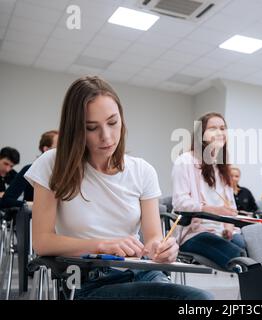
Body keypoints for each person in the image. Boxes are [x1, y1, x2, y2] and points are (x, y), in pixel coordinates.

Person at [24, 76, 211, 300]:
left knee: (201, 299)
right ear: (76, 130)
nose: (107, 136)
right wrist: (102, 245)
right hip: (89, 280)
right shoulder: (53, 163)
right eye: (91, 128)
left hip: (143, 273)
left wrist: (161, 249)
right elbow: (42, 241)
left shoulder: (143, 171)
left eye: (113, 122)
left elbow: (152, 238)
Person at [172, 112, 246, 270]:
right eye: (213, 128)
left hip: (222, 232)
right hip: (194, 233)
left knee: (252, 249)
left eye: (222, 128)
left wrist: (228, 228)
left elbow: (230, 208)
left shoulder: (222, 168)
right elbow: (180, 203)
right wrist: (212, 209)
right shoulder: (185, 161)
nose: (220, 132)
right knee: (240, 259)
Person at [0, 130, 58, 209]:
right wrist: (33, 204)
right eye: (59, 146)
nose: (7, 169)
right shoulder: (29, 170)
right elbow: (6, 201)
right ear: (46, 149)